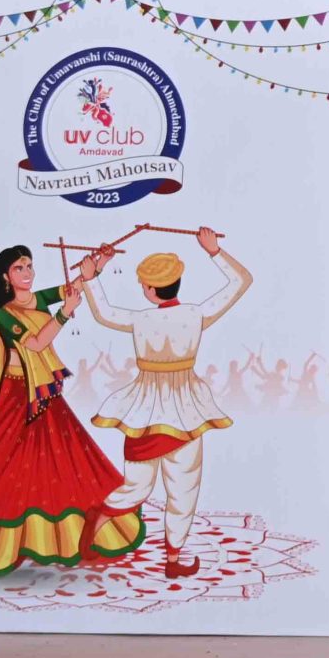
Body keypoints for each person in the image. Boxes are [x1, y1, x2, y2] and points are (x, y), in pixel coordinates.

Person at [0, 246, 143, 575]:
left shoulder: (38, 299)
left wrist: (98, 265)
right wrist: (64, 314)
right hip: (16, 395)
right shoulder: (3, 314)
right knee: (1, 464)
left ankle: (59, 538)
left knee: (64, 462)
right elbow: (35, 344)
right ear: (5, 276)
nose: (27, 273)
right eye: (19, 268)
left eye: (29, 266)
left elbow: (72, 288)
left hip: (43, 392)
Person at [79, 227, 252, 578]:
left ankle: (95, 524)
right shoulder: (195, 314)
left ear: (149, 289)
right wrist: (213, 250)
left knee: (136, 487)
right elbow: (241, 281)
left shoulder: (140, 318)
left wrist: (92, 276)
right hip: (186, 409)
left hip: (144, 409)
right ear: (177, 283)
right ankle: (172, 561)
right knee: (183, 489)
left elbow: (103, 313)